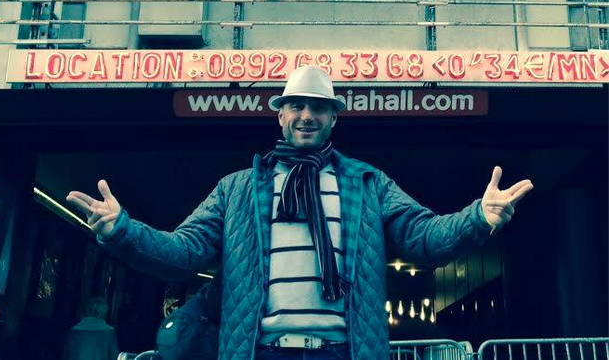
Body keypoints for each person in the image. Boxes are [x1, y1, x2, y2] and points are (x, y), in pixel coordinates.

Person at [67, 66, 533, 360]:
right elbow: (183, 252)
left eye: (319, 107)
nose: (307, 115)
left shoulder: (367, 183)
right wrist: (122, 230)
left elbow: (423, 236)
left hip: (343, 353)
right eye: (296, 105)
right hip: (261, 352)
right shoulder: (236, 189)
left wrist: (478, 218)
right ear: (280, 115)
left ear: (334, 118)